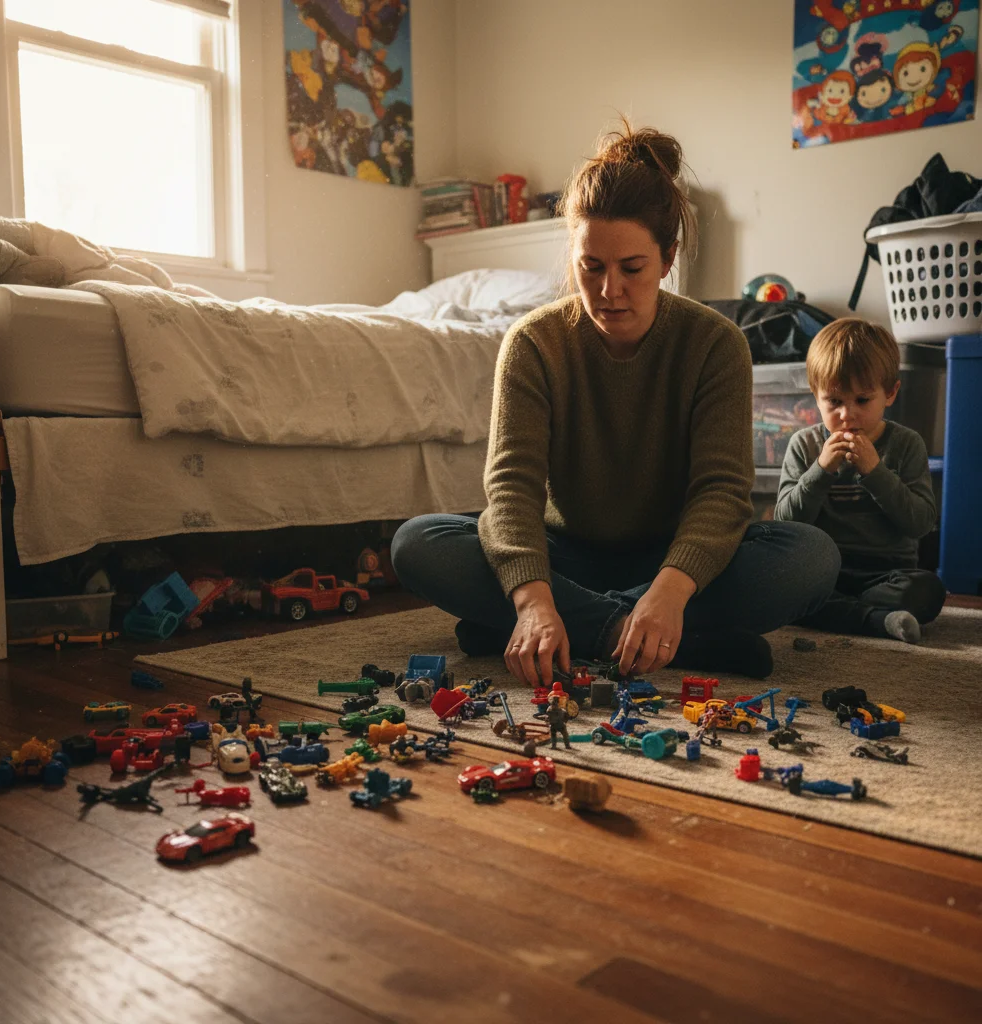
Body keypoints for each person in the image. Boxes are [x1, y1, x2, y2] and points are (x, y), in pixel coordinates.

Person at [390, 125, 839, 687]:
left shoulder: (717, 344)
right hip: (563, 557)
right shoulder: (533, 343)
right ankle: (653, 638)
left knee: (811, 557)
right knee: (418, 543)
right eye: (591, 267)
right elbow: (511, 487)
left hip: (674, 559)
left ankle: (560, 630)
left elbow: (722, 492)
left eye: (631, 268)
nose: (609, 291)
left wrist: (671, 591)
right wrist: (532, 599)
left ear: (668, 256)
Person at [775, 318, 945, 643]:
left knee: (929, 590)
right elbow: (787, 524)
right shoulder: (805, 445)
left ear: (890, 394)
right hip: (825, 569)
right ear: (816, 395)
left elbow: (920, 523)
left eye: (863, 400)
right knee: (780, 584)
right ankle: (878, 621)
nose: (847, 415)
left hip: (889, 573)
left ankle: (843, 612)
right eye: (834, 401)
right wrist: (820, 470)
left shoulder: (906, 444)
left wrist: (875, 472)